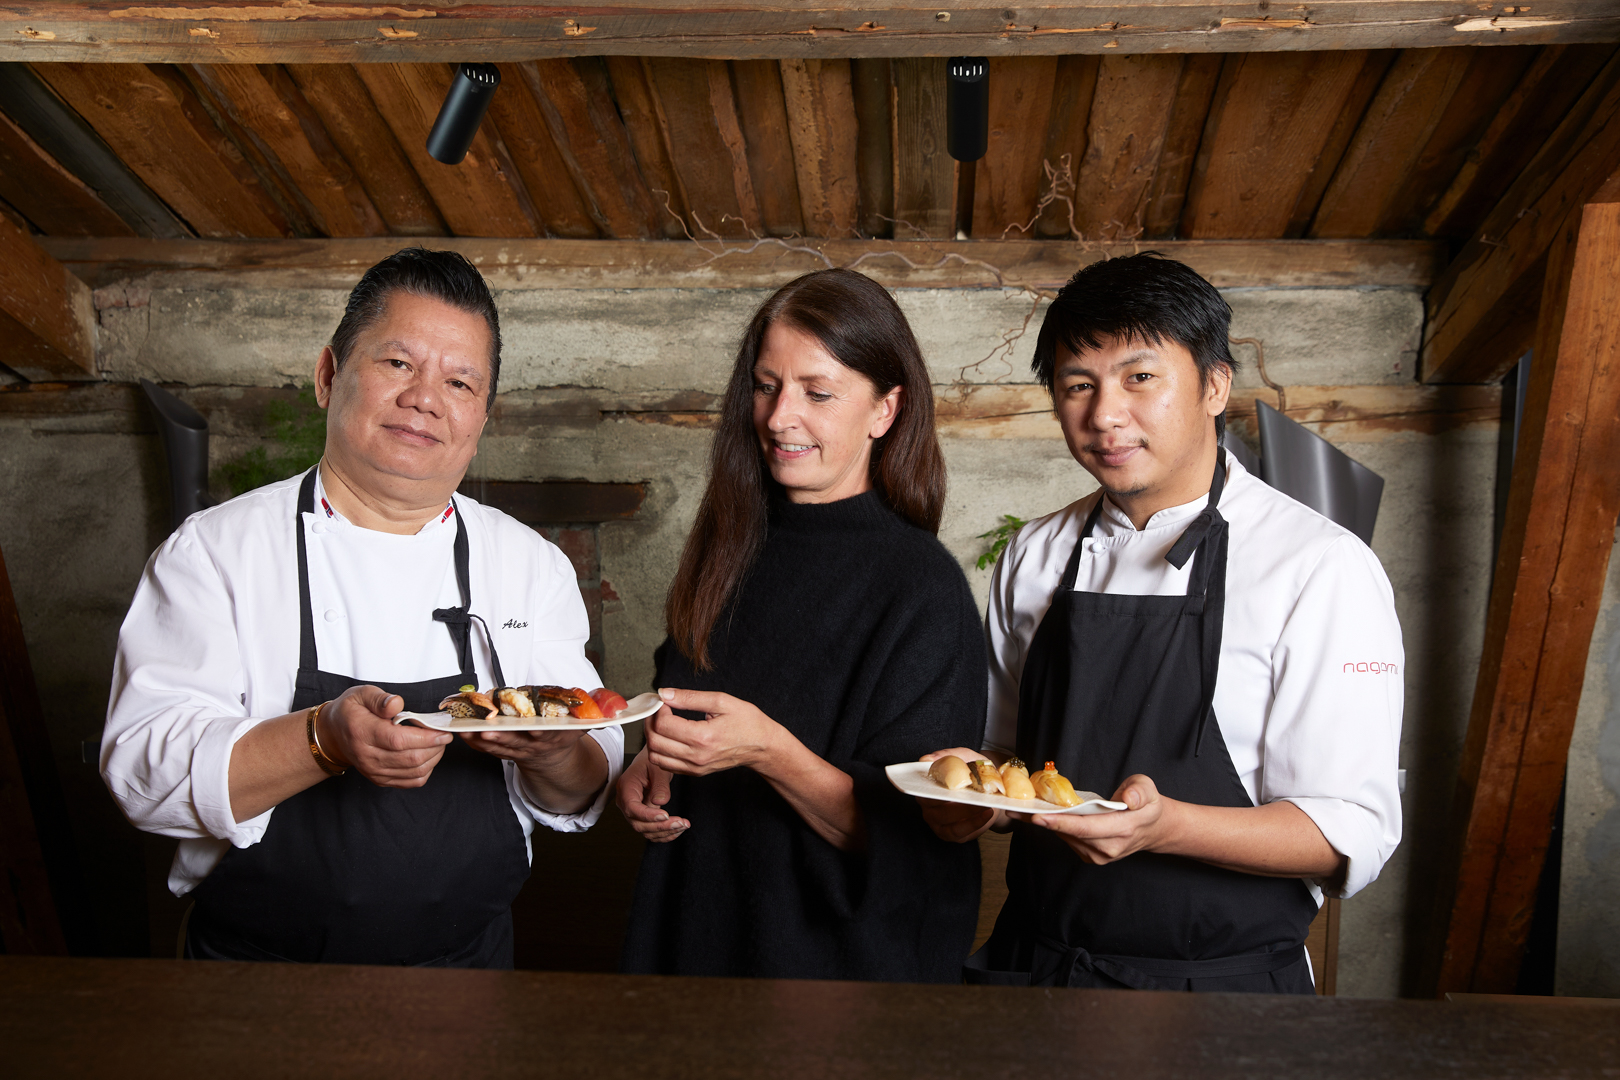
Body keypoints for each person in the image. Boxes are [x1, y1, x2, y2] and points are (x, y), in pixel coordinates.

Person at [103, 248, 621, 968]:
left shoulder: (529, 566)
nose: (425, 398)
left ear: (482, 417)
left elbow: (583, 785)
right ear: (327, 376)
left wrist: (558, 753)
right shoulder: (215, 552)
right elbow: (142, 777)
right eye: (398, 363)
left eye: (460, 381)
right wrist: (323, 738)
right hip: (255, 982)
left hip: (466, 979)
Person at [922, 253, 1403, 993]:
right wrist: (969, 801)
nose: (1104, 415)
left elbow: (1348, 831)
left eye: (1139, 377)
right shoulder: (1035, 553)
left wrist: (1165, 827)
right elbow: (1006, 756)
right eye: (1078, 385)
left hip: (1219, 993)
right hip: (1037, 971)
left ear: (1215, 386)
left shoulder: (1318, 565)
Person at [617, 269, 986, 981]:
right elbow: (682, 706)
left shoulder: (921, 587)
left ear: (885, 410)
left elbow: (919, 841)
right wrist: (653, 760)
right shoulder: (726, 551)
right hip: (693, 936)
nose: (780, 416)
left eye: (818, 393)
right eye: (767, 386)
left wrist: (768, 751)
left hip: (828, 977)